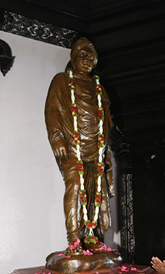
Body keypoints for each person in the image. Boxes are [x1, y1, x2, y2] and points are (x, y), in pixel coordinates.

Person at [44, 37, 114, 250]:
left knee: (95, 192)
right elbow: (53, 110)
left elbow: (106, 122)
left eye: (90, 56)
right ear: (73, 58)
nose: (86, 59)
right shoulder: (62, 81)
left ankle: (94, 239)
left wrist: (106, 152)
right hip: (72, 145)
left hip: (97, 148)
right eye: (82, 55)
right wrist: (56, 137)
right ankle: (74, 240)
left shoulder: (99, 88)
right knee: (75, 184)